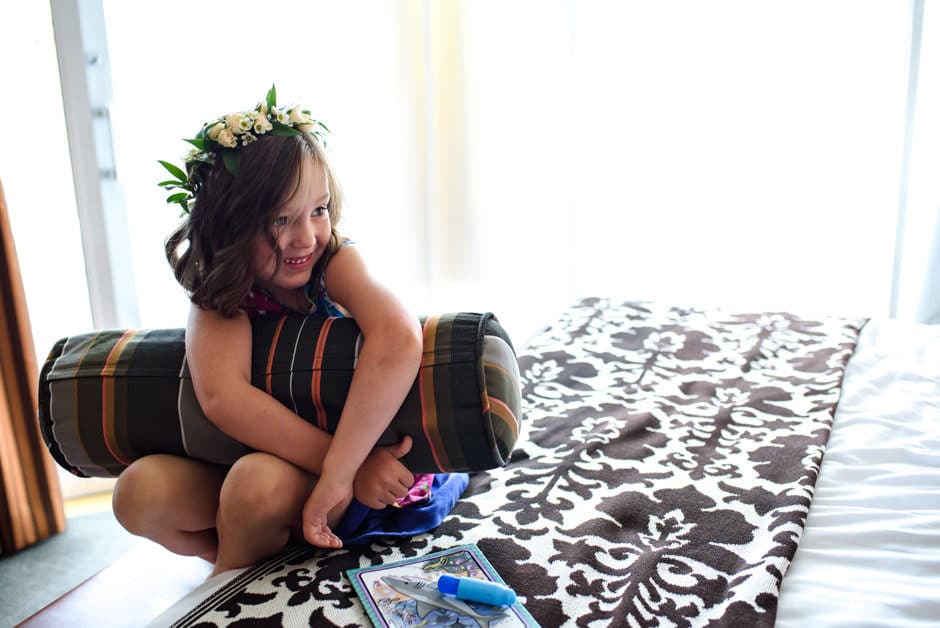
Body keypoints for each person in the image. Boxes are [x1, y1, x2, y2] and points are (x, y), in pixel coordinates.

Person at [111, 87, 467, 575]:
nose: (307, 237)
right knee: (137, 492)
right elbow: (223, 399)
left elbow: (399, 338)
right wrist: (343, 467)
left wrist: (347, 472)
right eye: (281, 219)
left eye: (318, 210)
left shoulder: (333, 263)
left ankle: (226, 588)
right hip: (289, 463)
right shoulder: (224, 292)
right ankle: (254, 550)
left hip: (345, 466)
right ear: (230, 225)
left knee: (252, 486)